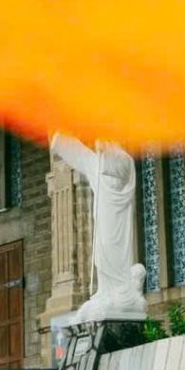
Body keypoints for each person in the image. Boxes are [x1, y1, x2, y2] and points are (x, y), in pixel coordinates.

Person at [51, 135, 147, 321]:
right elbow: (82, 157)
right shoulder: (99, 167)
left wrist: (104, 149)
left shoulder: (122, 161)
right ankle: (106, 292)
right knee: (102, 259)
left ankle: (116, 293)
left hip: (118, 226)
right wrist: (61, 141)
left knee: (115, 258)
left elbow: (117, 168)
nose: (98, 146)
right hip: (103, 226)